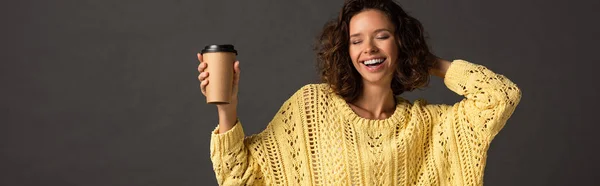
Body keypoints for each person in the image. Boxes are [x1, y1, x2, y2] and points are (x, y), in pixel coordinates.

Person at [197, 0, 521, 185]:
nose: (368, 48)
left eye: (381, 36)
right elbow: (239, 177)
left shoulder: (428, 125)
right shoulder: (312, 107)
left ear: (400, 43)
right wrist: (227, 107)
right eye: (356, 40)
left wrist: (426, 60)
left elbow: (500, 96)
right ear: (346, 51)